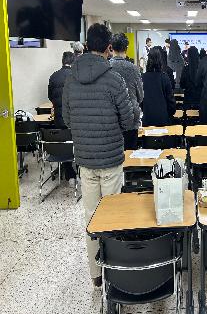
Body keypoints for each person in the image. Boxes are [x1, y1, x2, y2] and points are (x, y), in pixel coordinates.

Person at [62, 23, 134, 288]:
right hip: (111, 158)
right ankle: (115, 272)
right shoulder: (114, 79)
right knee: (113, 215)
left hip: (85, 158)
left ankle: (96, 274)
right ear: (108, 48)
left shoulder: (71, 79)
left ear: (86, 45)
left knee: (91, 216)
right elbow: (128, 120)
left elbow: (67, 118)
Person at [110, 33, 144, 150]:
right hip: (131, 117)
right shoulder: (134, 68)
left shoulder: (106, 67)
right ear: (127, 48)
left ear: (111, 47)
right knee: (130, 153)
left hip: (111, 119)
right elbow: (140, 96)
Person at [48, 51, 77, 185]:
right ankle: (79, 172)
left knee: (64, 146)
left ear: (62, 61)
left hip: (59, 119)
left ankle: (69, 174)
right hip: (74, 119)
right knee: (78, 146)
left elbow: (50, 96)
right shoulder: (76, 76)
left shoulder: (53, 76)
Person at [142, 46, 176, 126]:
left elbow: (140, 100)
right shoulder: (164, 77)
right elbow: (170, 101)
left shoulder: (142, 78)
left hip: (147, 118)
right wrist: (169, 113)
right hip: (163, 119)